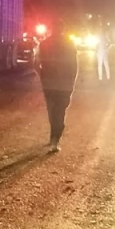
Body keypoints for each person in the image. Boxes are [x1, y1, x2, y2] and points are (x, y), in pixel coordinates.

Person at [35, 23, 79, 152]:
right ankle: (55, 138)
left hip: (49, 84)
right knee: (60, 112)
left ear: (51, 30)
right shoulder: (70, 44)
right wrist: (72, 83)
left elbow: (36, 63)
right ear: (63, 30)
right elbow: (74, 66)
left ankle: (53, 136)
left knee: (52, 111)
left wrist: (43, 76)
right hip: (64, 85)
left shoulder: (44, 44)